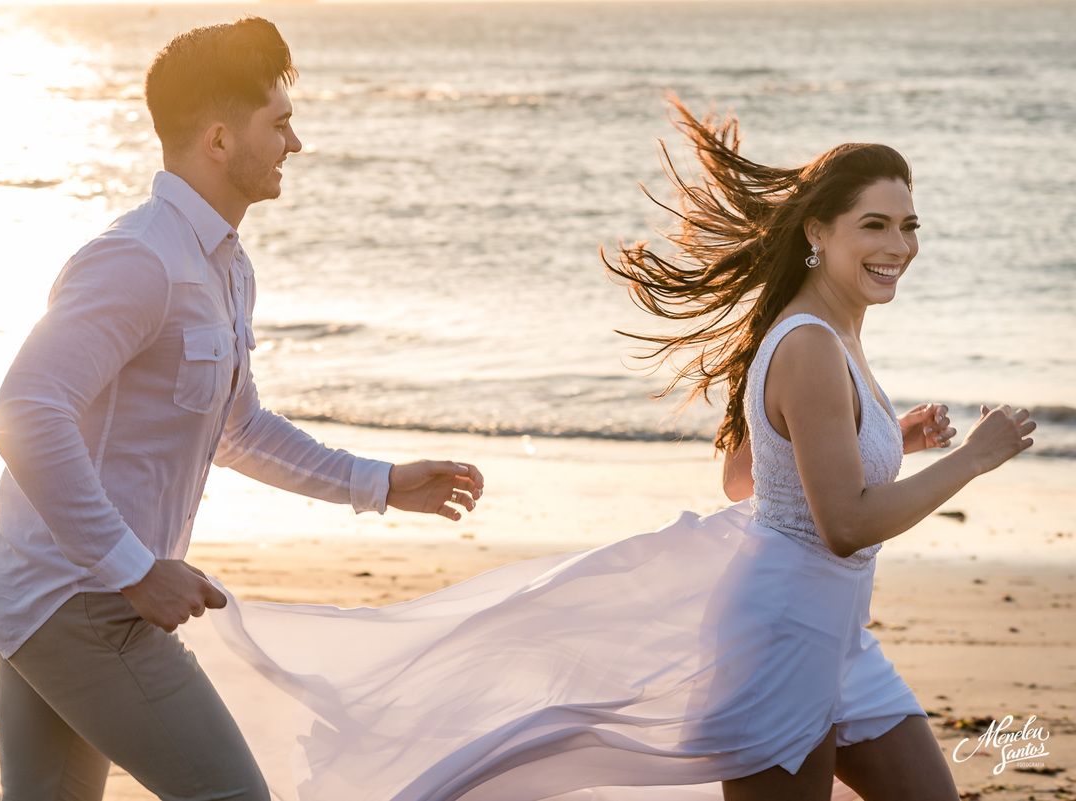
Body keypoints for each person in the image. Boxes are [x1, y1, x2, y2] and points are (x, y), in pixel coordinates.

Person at [178, 95, 1036, 801]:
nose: (899, 248)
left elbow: (748, 475)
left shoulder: (830, 334)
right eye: (876, 226)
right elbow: (843, 523)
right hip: (782, 636)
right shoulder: (811, 342)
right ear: (819, 230)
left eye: (909, 226)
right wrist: (971, 457)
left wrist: (888, 440)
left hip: (837, 634)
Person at [0, 17, 483, 801]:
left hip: (56, 591)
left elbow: (238, 428)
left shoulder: (225, 269)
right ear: (217, 139)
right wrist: (136, 571)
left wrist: (380, 483)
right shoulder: (139, 260)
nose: (295, 145)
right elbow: (26, 411)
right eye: (279, 125)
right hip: (83, 600)